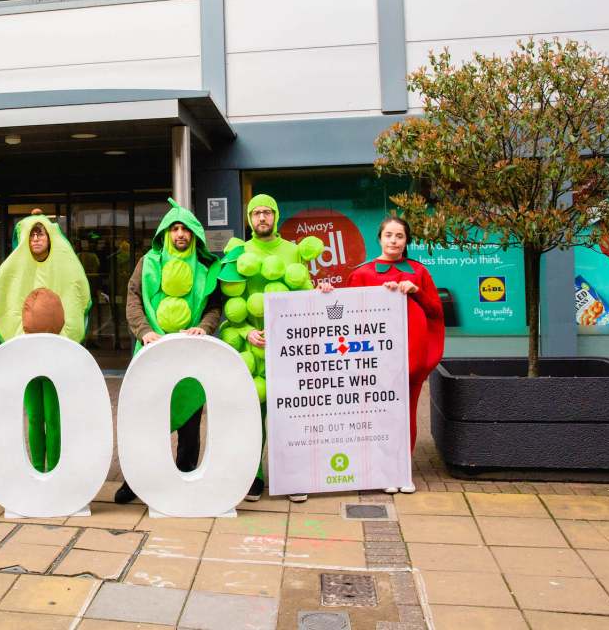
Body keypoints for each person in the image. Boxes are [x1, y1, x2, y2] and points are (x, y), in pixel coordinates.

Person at [114, 199, 222, 505]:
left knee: (189, 419)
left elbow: (215, 307)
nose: (180, 235)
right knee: (147, 418)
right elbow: (133, 298)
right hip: (151, 352)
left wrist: (204, 326)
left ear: (194, 235)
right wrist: (144, 331)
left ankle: (185, 477)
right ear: (165, 233)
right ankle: (136, 481)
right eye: (174, 228)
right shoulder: (148, 262)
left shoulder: (205, 267)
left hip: (191, 354)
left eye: (185, 229)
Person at [327, 215, 444, 493]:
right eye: (389, 235)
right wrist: (326, 293)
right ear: (379, 238)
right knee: (379, 415)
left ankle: (402, 471)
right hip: (375, 361)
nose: (393, 240)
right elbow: (346, 315)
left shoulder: (418, 272)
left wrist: (415, 291)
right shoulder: (362, 273)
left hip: (412, 358)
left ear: (407, 241)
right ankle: (380, 471)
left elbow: (436, 312)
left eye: (399, 236)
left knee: (407, 414)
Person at [218, 193, 322, 502]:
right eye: (256, 213)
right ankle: (255, 477)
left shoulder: (292, 252)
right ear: (249, 219)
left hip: (288, 350)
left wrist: (322, 292)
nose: (262, 217)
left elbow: (305, 294)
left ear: (276, 216)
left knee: (288, 418)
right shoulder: (239, 252)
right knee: (253, 416)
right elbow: (229, 302)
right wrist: (247, 331)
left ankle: (291, 477)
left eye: (267, 212)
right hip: (252, 349)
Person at [0, 210, 91, 473]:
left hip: (56, 352)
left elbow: (76, 294)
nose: (36, 238)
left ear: (49, 237)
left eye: (41, 233)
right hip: (27, 354)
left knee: (53, 415)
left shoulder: (64, 266)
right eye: (32, 233)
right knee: (34, 415)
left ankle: (55, 467)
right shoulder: (16, 268)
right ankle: (37, 467)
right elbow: (5, 299)